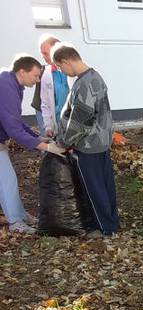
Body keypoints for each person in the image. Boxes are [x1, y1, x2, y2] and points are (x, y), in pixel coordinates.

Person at [52, 42, 119, 236]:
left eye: (61, 68)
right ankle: (111, 222)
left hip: (88, 145)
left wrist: (64, 142)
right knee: (105, 185)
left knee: (93, 188)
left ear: (66, 61)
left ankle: (102, 227)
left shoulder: (84, 84)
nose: (63, 72)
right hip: (101, 142)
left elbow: (81, 120)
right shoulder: (94, 77)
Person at [0, 54, 65, 234]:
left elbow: (15, 120)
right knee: (6, 181)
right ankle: (16, 222)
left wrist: (37, 137)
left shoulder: (12, 82)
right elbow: (13, 129)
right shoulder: (6, 86)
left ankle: (19, 214)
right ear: (22, 71)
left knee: (7, 180)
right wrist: (47, 147)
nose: (38, 80)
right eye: (35, 76)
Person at [31, 34, 71, 138]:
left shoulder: (71, 71)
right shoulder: (46, 73)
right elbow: (45, 103)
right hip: (52, 116)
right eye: (42, 53)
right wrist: (48, 126)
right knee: (51, 144)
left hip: (69, 118)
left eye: (46, 53)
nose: (44, 57)